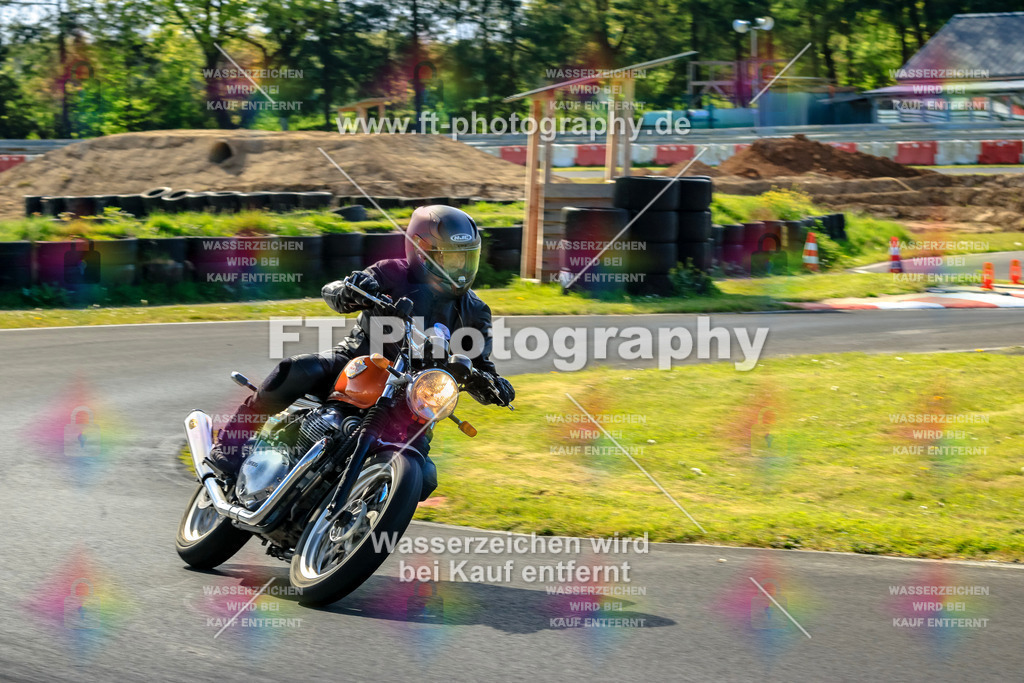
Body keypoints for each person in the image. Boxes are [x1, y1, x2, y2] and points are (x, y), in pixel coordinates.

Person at [207, 205, 515, 498]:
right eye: (451, 259)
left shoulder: (475, 311)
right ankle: (231, 449)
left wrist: (492, 385)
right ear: (422, 252)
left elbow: (479, 363)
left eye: (466, 259)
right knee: (293, 371)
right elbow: (339, 293)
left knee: (423, 478)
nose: (460, 269)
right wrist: (353, 289)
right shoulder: (392, 272)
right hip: (356, 363)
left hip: (410, 399)